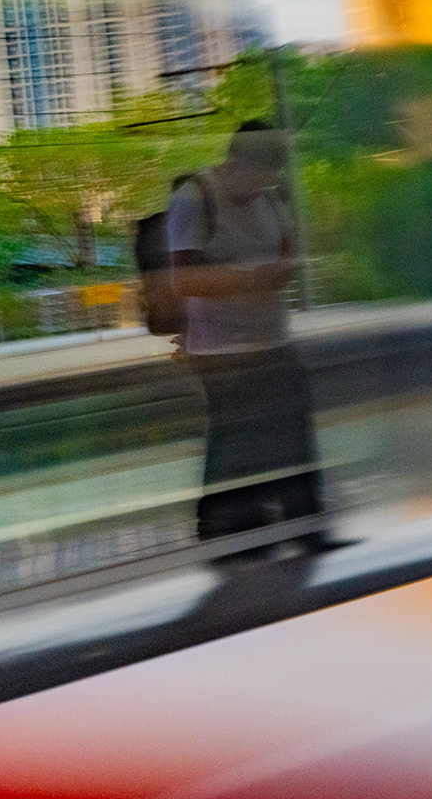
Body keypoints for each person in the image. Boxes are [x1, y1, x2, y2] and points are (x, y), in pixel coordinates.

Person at [168, 120, 329, 550]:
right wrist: (254, 279)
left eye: (270, 181)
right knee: (235, 436)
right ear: (234, 162)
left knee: (293, 430)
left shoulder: (271, 198)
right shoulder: (195, 198)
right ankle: (226, 531)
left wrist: (285, 266)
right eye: (256, 179)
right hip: (220, 347)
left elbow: (288, 246)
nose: (261, 189)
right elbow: (185, 280)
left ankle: (305, 528)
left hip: (272, 337)